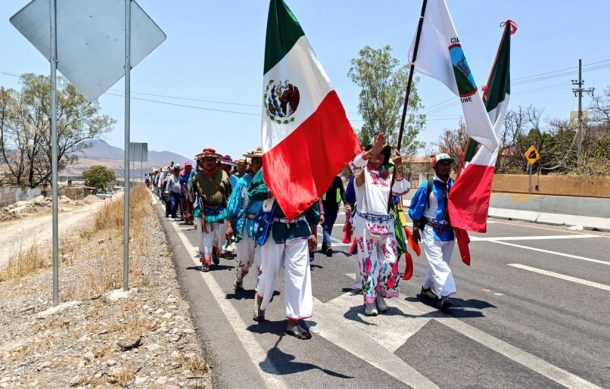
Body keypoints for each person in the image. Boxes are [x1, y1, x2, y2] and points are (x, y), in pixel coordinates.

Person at [249, 167, 320, 340]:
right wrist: (271, 189)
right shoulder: (271, 164)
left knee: (298, 276)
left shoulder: (306, 169)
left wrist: (313, 230)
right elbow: (253, 192)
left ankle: (293, 321)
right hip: (275, 229)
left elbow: (312, 199)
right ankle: (260, 299)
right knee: (269, 273)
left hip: (298, 230)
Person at [349, 133, 411, 316]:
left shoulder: (388, 175)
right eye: (375, 151)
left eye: (382, 152)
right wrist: (370, 151)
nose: (378, 155)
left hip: (386, 224)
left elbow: (401, 189)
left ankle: (378, 293)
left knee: (390, 263)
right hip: (365, 224)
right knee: (370, 264)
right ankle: (370, 301)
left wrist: (398, 166)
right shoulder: (362, 173)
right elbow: (354, 165)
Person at [408, 153, 456, 312]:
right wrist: (415, 229)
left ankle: (428, 288)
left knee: (441, 263)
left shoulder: (454, 185)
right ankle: (445, 295)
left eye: (448, 163)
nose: (446, 166)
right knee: (438, 263)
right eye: (442, 164)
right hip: (431, 231)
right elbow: (416, 210)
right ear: (435, 167)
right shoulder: (426, 186)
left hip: (449, 233)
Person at [226, 148, 264, 291]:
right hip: (246, 224)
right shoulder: (242, 182)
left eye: (262, 162)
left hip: (264, 225)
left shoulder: (270, 181)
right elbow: (234, 203)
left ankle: (260, 287)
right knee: (244, 258)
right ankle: (239, 277)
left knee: (261, 258)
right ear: (251, 162)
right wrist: (230, 224)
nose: (259, 164)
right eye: (256, 161)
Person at [190, 148, 233, 272]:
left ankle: (216, 249)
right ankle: (205, 260)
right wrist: (189, 210)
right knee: (205, 236)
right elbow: (191, 195)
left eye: (212, 160)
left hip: (220, 210)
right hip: (204, 211)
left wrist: (231, 211)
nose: (209, 162)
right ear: (201, 162)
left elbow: (229, 193)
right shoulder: (197, 177)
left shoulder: (224, 175)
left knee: (220, 237)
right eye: (206, 160)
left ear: (216, 161)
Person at [321, 175, 350, 256]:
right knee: (326, 226)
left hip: (334, 207)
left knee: (329, 226)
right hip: (324, 207)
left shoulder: (337, 179)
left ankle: (324, 245)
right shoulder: (323, 178)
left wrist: (345, 203)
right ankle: (328, 245)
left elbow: (342, 192)